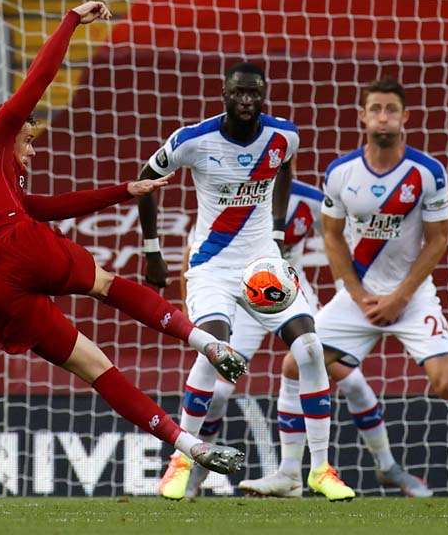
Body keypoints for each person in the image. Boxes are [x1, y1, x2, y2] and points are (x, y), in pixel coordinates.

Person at [0, 1, 246, 478]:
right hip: (11, 248)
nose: (32, 152)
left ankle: (187, 445)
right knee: (103, 284)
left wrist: (125, 191)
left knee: (93, 365)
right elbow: (36, 82)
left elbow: (46, 207)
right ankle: (206, 342)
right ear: (9, 130)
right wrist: (71, 22)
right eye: (30, 141)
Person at [255, 77, 448, 500]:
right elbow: (332, 237)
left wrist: (400, 297)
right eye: (376, 109)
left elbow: (439, 239)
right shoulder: (341, 172)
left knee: (446, 383)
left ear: (405, 117)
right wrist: (357, 295)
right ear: (363, 117)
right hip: (360, 297)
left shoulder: (427, 172)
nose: (383, 117)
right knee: (295, 366)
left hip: (411, 295)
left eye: (391, 109)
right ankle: (289, 474)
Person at [138, 63, 355, 501]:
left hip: (263, 266)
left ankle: (320, 468)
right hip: (211, 267)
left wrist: (275, 231)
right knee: (216, 351)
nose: (246, 101)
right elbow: (146, 178)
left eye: (254, 93)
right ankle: (181, 459)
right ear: (224, 93)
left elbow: (284, 168)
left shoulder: (282, 136)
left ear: (264, 95)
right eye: (238, 93)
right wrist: (152, 251)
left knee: (310, 348)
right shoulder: (192, 140)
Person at [174, 178, 431, 498]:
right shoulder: (231, 195)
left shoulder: (309, 200)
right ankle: (195, 476)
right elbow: (192, 252)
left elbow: (338, 244)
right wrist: (190, 309)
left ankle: (387, 466)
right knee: (219, 393)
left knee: (349, 381)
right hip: (241, 298)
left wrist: (347, 300)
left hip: (290, 298)